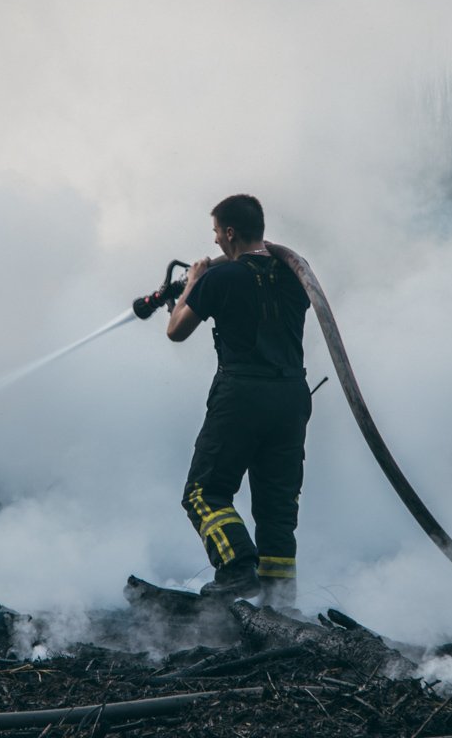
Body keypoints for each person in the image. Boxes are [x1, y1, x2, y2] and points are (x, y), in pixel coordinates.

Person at [166, 194, 312, 604]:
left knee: (204, 493)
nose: (214, 242)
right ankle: (280, 604)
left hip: (242, 395)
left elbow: (176, 330)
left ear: (230, 232)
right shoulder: (293, 275)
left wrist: (193, 282)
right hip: (291, 399)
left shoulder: (219, 279)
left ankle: (235, 570)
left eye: (216, 232)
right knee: (277, 509)